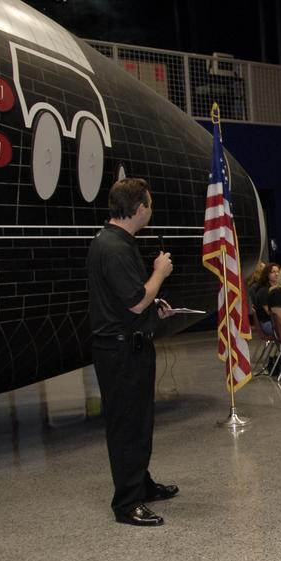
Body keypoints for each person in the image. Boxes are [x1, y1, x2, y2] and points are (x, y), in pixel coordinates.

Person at [86, 178, 178, 527]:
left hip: (126, 347)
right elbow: (137, 300)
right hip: (122, 352)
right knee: (127, 426)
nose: (150, 211)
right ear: (139, 208)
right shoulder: (115, 247)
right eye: (149, 205)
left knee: (138, 422)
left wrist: (156, 306)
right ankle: (126, 503)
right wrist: (159, 274)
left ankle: (141, 483)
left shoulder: (114, 242)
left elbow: (131, 301)